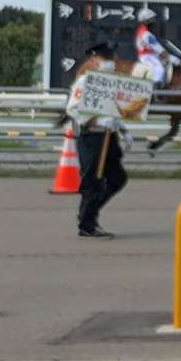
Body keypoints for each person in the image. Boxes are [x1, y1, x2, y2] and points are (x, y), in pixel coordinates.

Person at [66, 42, 131, 240]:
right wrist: (95, 120)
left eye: (111, 59)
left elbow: (115, 109)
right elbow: (73, 109)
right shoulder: (85, 82)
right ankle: (87, 224)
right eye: (105, 59)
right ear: (94, 61)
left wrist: (122, 129)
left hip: (109, 137)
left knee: (117, 178)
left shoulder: (113, 82)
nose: (109, 63)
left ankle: (89, 212)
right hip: (92, 136)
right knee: (92, 182)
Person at [133, 6, 169, 86]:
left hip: (152, 54)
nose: (154, 21)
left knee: (174, 60)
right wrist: (165, 55)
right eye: (152, 19)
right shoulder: (146, 34)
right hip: (147, 57)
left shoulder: (142, 30)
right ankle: (155, 89)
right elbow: (159, 49)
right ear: (146, 21)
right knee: (159, 69)